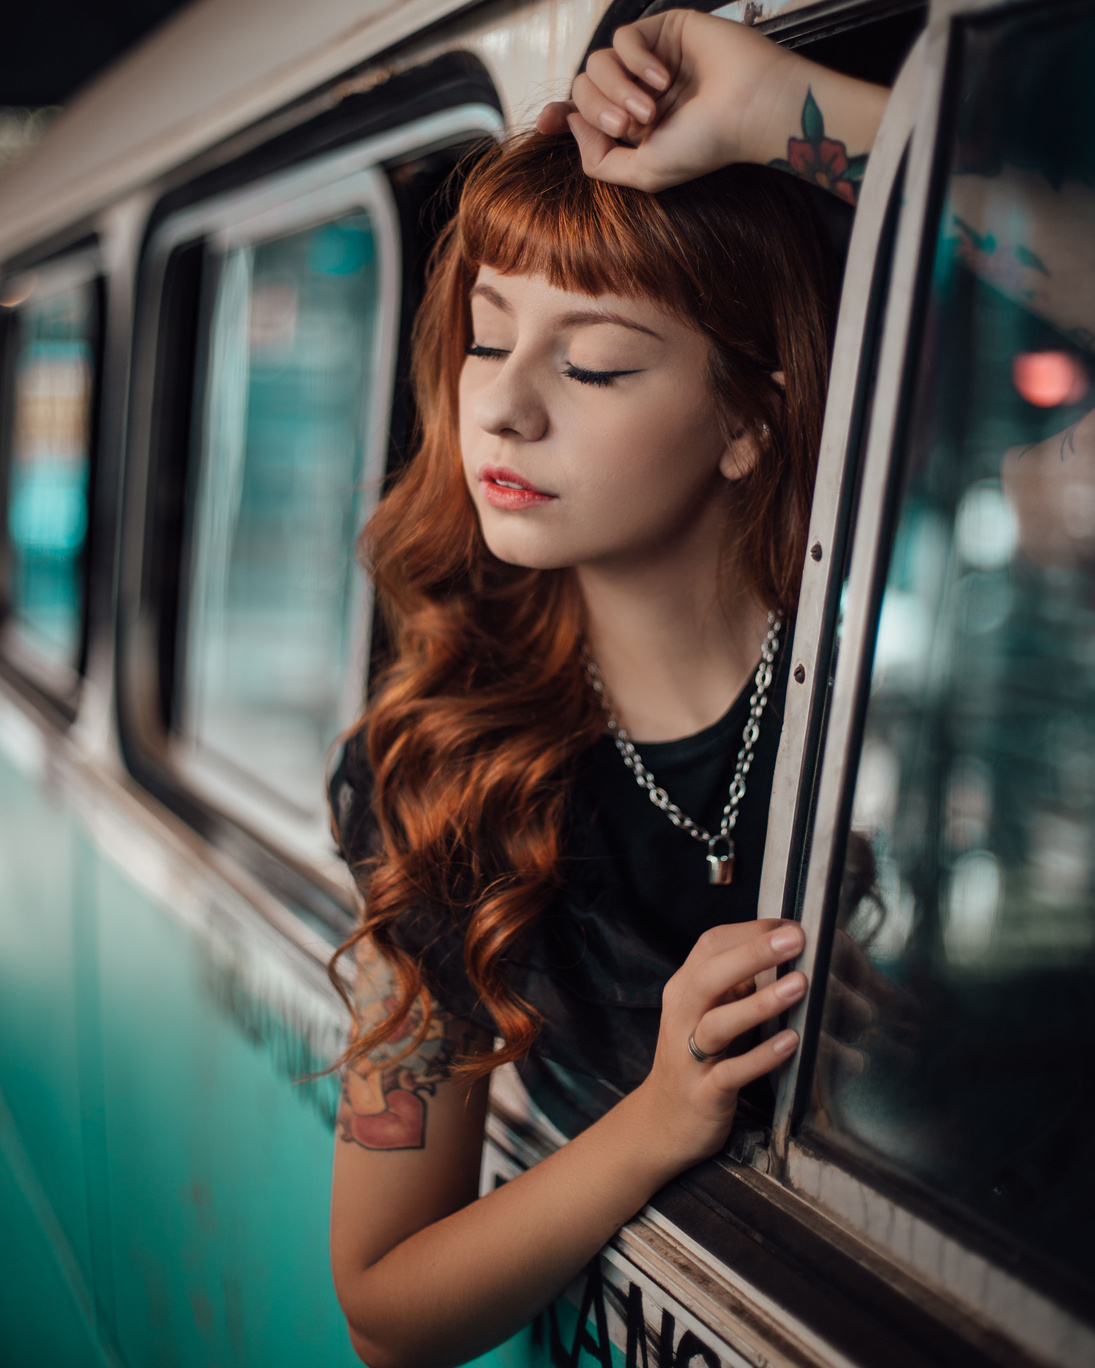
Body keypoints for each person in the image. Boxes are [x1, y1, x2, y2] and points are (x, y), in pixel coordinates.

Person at [327, 12, 890, 1368]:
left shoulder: (906, 708)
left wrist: (793, 107)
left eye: (593, 363)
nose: (504, 411)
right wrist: (657, 1118)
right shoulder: (435, 771)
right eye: (485, 337)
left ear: (752, 420)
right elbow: (386, 1302)